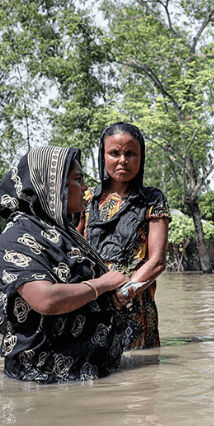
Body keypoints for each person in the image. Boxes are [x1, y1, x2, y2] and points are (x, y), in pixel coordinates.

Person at [0, 146, 129, 383]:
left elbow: (80, 287)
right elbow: (46, 299)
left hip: (86, 373)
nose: (86, 189)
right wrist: (102, 284)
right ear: (51, 186)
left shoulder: (63, 232)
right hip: (46, 379)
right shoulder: (18, 235)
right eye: (77, 180)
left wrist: (111, 294)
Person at [79, 122, 170, 350]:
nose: (123, 160)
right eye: (115, 153)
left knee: (139, 377)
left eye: (131, 154)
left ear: (141, 158)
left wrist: (126, 290)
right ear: (103, 156)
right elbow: (75, 249)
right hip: (93, 302)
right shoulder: (87, 198)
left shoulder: (152, 200)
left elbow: (157, 262)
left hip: (135, 304)